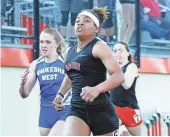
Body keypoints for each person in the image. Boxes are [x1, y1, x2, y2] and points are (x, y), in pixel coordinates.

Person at [53, 7, 125, 136]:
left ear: (96, 29)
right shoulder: (70, 51)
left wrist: (96, 89)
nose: (80, 23)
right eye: (77, 21)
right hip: (77, 110)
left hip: (101, 111)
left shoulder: (99, 46)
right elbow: (71, 76)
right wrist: (60, 94)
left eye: (86, 21)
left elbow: (119, 76)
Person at [19, 28, 71, 136]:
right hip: (45, 113)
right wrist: (22, 83)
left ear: (56, 44)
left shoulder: (65, 60)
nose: (43, 45)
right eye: (41, 42)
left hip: (65, 110)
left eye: (48, 42)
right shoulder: (36, 64)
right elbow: (24, 94)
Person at [110, 42, 142, 136]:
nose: (118, 53)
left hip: (129, 109)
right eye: (115, 51)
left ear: (128, 53)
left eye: (121, 50)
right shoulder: (113, 68)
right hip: (114, 107)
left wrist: (116, 69)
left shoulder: (132, 66)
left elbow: (127, 84)